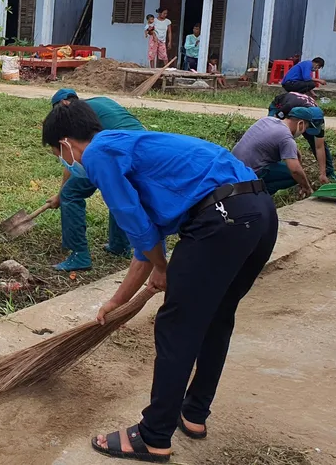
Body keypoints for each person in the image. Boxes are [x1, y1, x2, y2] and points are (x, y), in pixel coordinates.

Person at [41, 101, 277, 461]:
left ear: (65, 144)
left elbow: (132, 222)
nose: (66, 161)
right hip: (257, 212)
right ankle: (194, 414)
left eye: (59, 153)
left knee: (176, 327)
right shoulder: (130, 145)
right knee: (216, 317)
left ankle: (153, 436)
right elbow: (145, 246)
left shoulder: (99, 153)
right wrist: (119, 301)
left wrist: (162, 267)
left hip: (221, 219)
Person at [46, 89, 146, 272]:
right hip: (141, 147)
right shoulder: (100, 102)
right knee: (118, 191)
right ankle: (119, 245)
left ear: (64, 105)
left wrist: (61, 195)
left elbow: (72, 155)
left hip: (116, 152)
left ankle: (79, 255)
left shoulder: (75, 116)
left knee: (72, 193)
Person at [232, 108, 322, 196]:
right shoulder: (286, 138)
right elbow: (295, 170)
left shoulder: (267, 120)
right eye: (306, 128)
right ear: (301, 123)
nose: (304, 131)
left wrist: (295, 151)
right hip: (250, 173)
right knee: (293, 176)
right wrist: (306, 187)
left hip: (234, 167)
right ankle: (258, 194)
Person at [269, 92, 335, 183]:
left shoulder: (319, 119)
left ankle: (329, 173)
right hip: (279, 106)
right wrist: (292, 149)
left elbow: (319, 147)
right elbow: (274, 124)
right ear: (302, 121)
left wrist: (322, 173)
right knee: (276, 136)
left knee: (315, 140)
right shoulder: (289, 107)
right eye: (308, 126)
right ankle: (272, 166)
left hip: (302, 110)